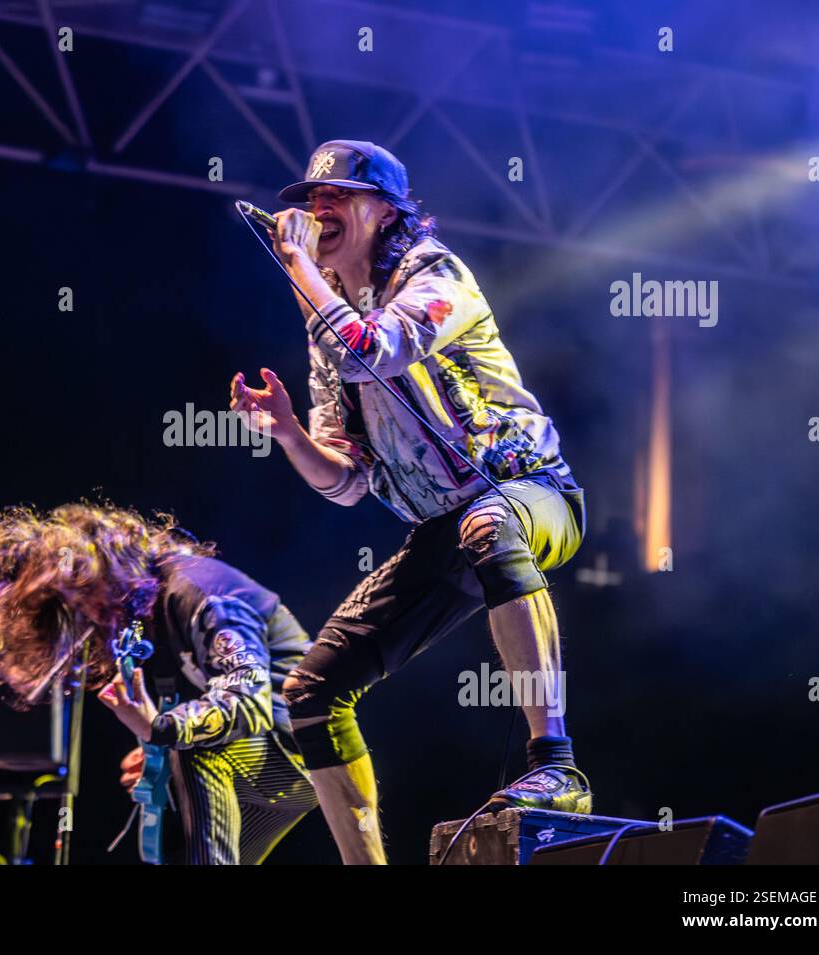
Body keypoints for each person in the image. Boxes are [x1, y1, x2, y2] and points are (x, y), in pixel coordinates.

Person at [230, 140, 591, 864]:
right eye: (309, 200)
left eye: (336, 198)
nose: (314, 211)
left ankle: (557, 763)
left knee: (487, 524)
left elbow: (375, 350)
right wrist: (289, 433)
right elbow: (347, 478)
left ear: (385, 212)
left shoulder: (435, 274)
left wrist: (299, 266)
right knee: (311, 691)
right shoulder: (324, 318)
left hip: (529, 494)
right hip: (442, 526)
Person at [0, 501, 318, 864]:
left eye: (85, 597)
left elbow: (249, 700)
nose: (89, 616)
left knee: (192, 751)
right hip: (260, 763)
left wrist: (164, 729)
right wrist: (160, 749)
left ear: (102, 570)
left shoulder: (198, 590)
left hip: (302, 750)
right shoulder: (146, 614)